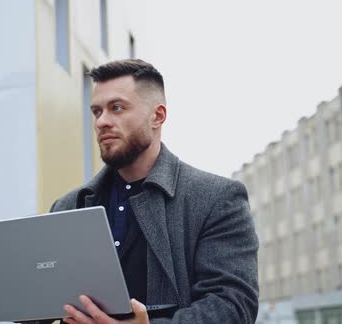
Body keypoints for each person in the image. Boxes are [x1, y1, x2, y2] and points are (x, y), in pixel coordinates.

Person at [50, 59, 259, 324]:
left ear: (157, 116)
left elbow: (233, 305)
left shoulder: (217, 198)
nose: (102, 121)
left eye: (117, 108)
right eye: (96, 111)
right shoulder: (67, 206)